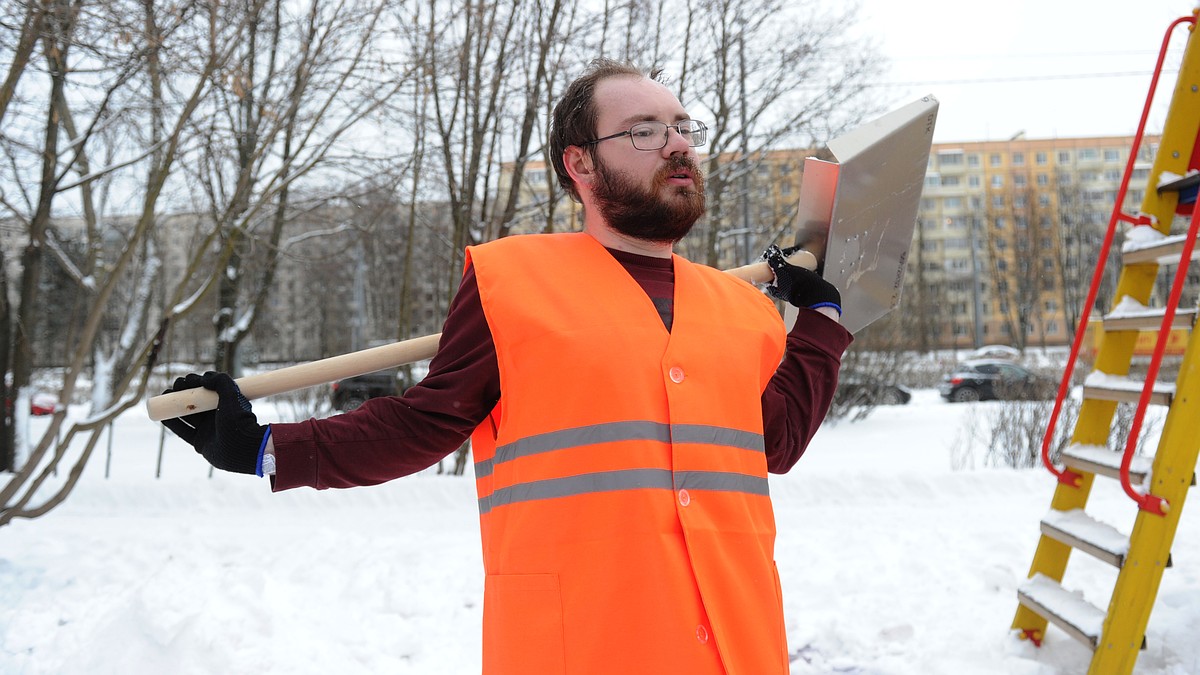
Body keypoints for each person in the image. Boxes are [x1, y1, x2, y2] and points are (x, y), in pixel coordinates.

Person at [163, 58, 852, 675]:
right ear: (579, 165)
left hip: (735, 648)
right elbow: (422, 422)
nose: (676, 144)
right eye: (643, 130)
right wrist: (263, 449)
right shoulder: (512, 283)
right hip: (584, 647)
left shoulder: (742, 308)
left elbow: (776, 441)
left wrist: (821, 322)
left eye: (680, 127)